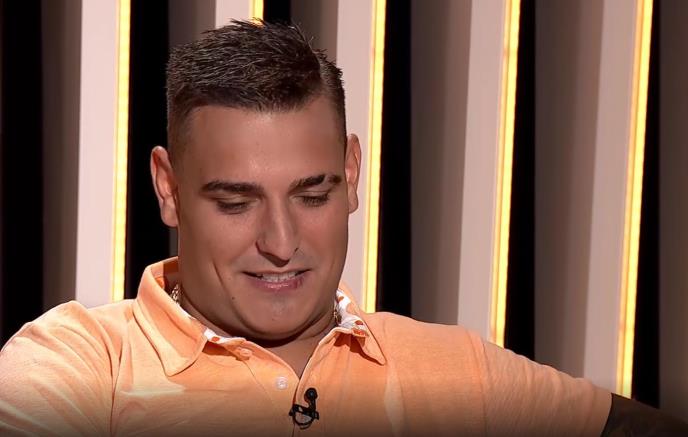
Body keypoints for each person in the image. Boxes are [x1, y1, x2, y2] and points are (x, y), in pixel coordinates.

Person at [0, 20, 685, 436]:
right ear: (168, 189)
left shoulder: (458, 373)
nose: (280, 243)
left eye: (312, 194)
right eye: (236, 202)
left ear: (352, 173)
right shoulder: (80, 362)